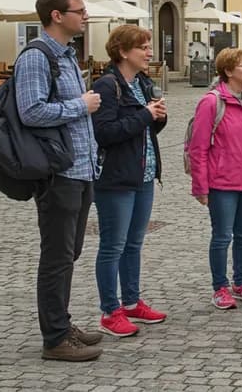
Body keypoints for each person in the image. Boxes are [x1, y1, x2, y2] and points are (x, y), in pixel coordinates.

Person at [15, 0, 104, 360]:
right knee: (56, 255)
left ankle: (62, 321)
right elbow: (30, 111)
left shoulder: (67, 55)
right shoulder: (37, 57)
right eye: (79, 10)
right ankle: (54, 338)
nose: (85, 15)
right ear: (57, 15)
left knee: (70, 252)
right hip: (58, 172)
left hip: (81, 169)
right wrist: (80, 106)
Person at [89, 26, 169, 337]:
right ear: (123, 52)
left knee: (134, 243)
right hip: (116, 178)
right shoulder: (107, 86)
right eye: (143, 47)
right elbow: (105, 133)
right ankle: (110, 311)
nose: (150, 52)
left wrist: (158, 119)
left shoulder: (143, 83)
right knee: (113, 245)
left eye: (149, 46)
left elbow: (143, 131)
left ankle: (132, 302)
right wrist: (145, 117)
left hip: (144, 174)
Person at [187, 48, 242, 310]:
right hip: (221, 182)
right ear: (229, 71)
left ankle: (241, 283)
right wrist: (200, 185)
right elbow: (198, 148)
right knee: (222, 236)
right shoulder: (211, 102)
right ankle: (220, 287)